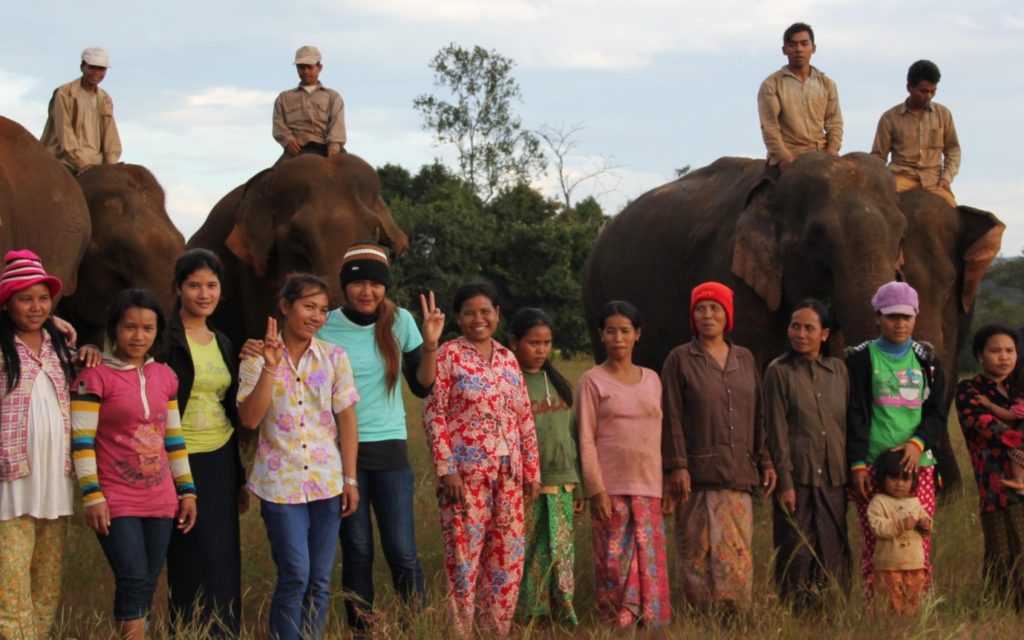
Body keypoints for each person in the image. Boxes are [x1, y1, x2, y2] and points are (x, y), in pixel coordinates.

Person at [318, 243, 442, 632]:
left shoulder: (400, 321)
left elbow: (422, 387)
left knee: (402, 551)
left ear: (385, 287)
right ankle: (362, 629)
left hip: (389, 449)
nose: (366, 291)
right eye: (358, 283)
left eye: (375, 283)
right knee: (357, 551)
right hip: (339, 452)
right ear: (345, 287)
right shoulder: (324, 323)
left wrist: (432, 344)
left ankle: (415, 625)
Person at [237, 273, 360, 640]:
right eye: (308, 306)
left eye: (323, 310)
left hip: (327, 482)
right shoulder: (257, 358)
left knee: (320, 581)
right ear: (285, 306)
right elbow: (250, 418)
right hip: (280, 485)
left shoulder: (334, 358)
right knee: (295, 574)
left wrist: (350, 479)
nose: (317, 316)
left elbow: (347, 421)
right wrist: (271, 368)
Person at [70, 289, 197, 640]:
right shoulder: (93, 377)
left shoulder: (166, 377)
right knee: (132, 577)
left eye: (147, 328)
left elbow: (173, 439)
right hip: (115, 497)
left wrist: (187, 491)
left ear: (158, 332)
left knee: (147, 581)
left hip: (160, 498)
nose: (138, 336)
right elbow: (81, 442)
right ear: (113, 329)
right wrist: (92, 496)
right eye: (129, 327)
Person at [422, 281, 540, 637]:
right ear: (458, 317)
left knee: (507, 559)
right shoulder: (447, 356)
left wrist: (531, 470)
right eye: (470, 312)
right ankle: (459, 631)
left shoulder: (507, 359)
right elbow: (433, 414)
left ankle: (495, 631)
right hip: (465, 477)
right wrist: (447, 469)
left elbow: (524, 417)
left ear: (498, 315)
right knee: (463, 561)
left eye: (485, 312)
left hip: (509, 475)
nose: (478, 319)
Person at [662, 282, 776, 613]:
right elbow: (671, 415)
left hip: (738, 471)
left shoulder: (744, 358)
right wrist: (677, 464)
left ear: (728, 314)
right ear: (692, 315)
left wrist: (765, 461)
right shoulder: (680, 359)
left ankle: (735, 616)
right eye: (701, 308)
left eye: (715, 308)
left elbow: (758, 415)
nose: (707, 314)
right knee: (698, 549)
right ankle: (699, 617)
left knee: (736, 548)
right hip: (695, 475)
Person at [163, 249, 245, 636]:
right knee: (187, 552)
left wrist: (240, 474)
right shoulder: (161, 338)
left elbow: (228, 406)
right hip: (178, 456)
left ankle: (224, 630)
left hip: (220, 457)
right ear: (179, 288)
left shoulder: (223, 341)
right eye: (194, 285)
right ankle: (187, 628)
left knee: (223, 554)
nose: (203, 293)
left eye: (211, 285)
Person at [846, 281, 945, 599]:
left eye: (906, 316)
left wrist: (917, 444)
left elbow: (937, 414)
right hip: (875, 465)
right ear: (877, 317)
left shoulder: (927, 360)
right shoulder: (861, 359)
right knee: (875, 540)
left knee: (919, 540)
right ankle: (876, 609)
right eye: (891, 316)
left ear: (916, 316)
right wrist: (858, 462)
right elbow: (855, 414)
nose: (899, 323)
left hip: (920, 468)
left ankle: (917, 608)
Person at [577, 301, 670, 628]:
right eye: (611, 331)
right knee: (614, 563)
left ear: (637, 335)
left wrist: (665, 482)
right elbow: (585, 438)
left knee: (648, 563)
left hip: (648, 486)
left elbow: (660, 434)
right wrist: (595, 489)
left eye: (625, 331)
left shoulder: (653, 380)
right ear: (601, 335)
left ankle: (651, 625)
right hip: (611, 488)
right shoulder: (592, 381)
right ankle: (616, 625)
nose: (618, 338)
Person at [0, 250, 78, 640]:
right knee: (10, 588)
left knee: (47, 585)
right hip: (10, 484)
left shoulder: (61, 347)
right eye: (25, 298)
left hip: (56, 485)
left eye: (43, 299)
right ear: (7, 302)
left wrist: (88, 350)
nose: (35, 307)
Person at [765, 299, 851, 609]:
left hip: (834, 474)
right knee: (796, 547)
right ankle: (795, 610)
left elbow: (847, 425)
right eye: (795, 326)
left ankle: (832, 608)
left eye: (808, 328)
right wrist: (785, 482)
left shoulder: (838, 370)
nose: (800, 333)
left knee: (832, 544)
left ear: (824, 334)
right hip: (798, 474)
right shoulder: (778, 371)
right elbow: (775, 430)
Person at [509, 308, 583, 627]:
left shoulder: (559, 383)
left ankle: (563, 608)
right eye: (533, 343)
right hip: (529, 484)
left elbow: (572, 436)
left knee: (561, 549)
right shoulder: (511, 382)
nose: (541, 350)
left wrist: (579, 485)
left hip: (563, 481)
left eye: (546, 343)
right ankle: (531, 611)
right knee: (533, 548)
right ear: (514, 342)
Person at [955, 325, 1024, 607]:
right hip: (993, 483)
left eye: (1010, 351)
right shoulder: (968, 390)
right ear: (979, 355)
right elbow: (986, 426)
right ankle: (999, 610)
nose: (1004, 357)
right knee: (1001, 550)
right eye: (995, 351)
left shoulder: (1020, 387)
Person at [871, 60, 960, 207]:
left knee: (956, 219)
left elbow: (953, 150)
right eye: (924, 91)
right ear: (909, 88)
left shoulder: (944, 115)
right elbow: (878, 157)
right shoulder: (889, 118)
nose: (929, 96)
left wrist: (946, 178)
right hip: (899, 180)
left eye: (933, 91)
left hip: (934, 183)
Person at [757, 22, 843, 174]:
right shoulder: (771, 85)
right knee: (772, 195)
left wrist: (832, 149)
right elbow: (769, 127)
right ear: (784, 50)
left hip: (821, 155)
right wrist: (784, 157)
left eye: (804, 44)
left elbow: (834, 122)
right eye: (792, 45)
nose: (799, 49)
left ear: (813, 48)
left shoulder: (827, 84)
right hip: (788, 157)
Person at [866, 449, 933, 615]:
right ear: (882, 478)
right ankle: (892, 631)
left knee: (913, 604)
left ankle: (909, 631)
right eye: (893, 478)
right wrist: (900, 525)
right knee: (891, 606)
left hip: (915, 565)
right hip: (889, 567)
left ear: (914, 481)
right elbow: (877, 527)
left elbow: (926, 527)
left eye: (905, 479)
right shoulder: (878, 502)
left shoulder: (915, 503)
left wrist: (926, 525)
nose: (899, 483)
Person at [40, 46, 122, 175]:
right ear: (82, 67)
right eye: (92, 67)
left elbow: (110, 134)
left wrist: (111, 164)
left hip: (97, 163)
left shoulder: (105, 98)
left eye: (101, 69)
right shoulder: (65, 93)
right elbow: (64, 132)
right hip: (65, 161)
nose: (96, 73)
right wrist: (81, 163)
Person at [272, 46, 346, 160]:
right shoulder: (283, 98)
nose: (305, 71)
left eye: (309, 67)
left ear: (319, 68)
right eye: (301, 67)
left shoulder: (333, 96)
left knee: (355, 175)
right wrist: (288, 141)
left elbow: (337, 124)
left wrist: (334, 147)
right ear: (297, 69)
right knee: (271, 177)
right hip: (297, 150)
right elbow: (279, 125)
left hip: (327, 147)